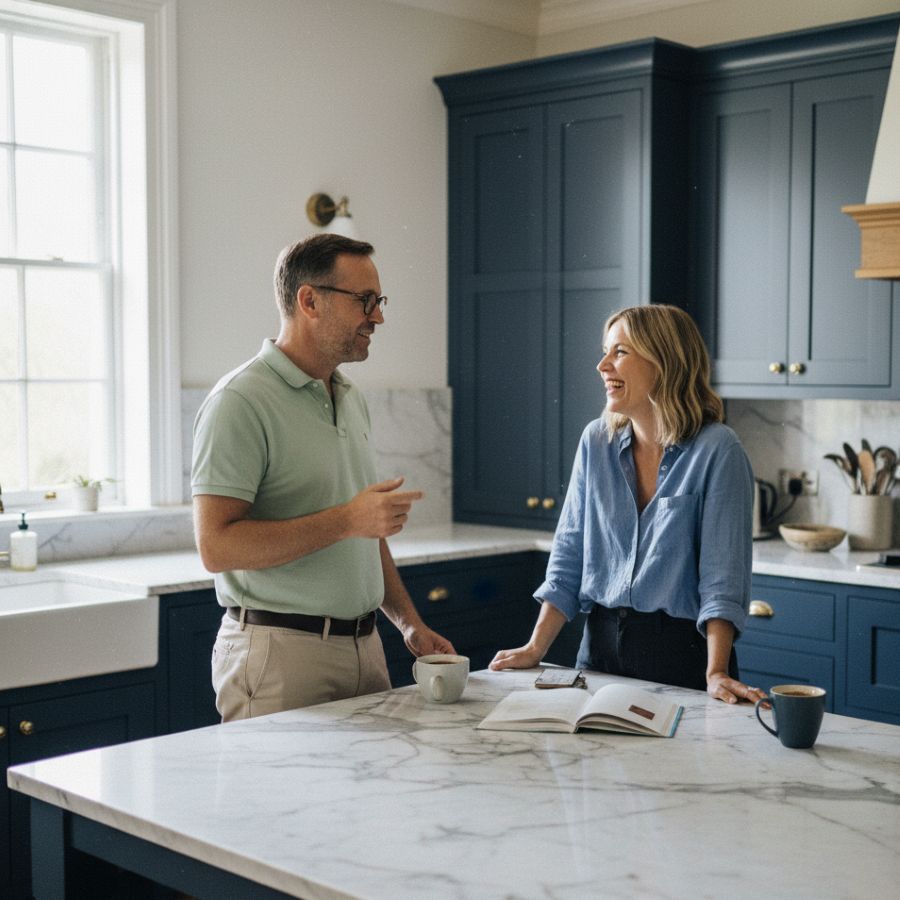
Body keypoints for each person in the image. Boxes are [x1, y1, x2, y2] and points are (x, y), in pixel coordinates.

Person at [192, 233, 455, 721]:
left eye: (379, 301)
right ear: (308, 300)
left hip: (365, 647)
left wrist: (408, 624)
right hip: (278, 656)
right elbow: (216, 547)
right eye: (364, 301)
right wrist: (345, 520)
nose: (377, 317)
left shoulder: (349, 396)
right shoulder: (239, 402)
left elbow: (363, 530)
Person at [490, 304, 766, 705]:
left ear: (664, 361)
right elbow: (569, 555)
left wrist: (716, 671)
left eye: (620, 352)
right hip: (598, 649)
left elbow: (722, 579)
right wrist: (536, 648)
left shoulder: (718, 450)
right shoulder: (595, 441)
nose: (603, 365)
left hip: (683, 657)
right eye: (606, 351)